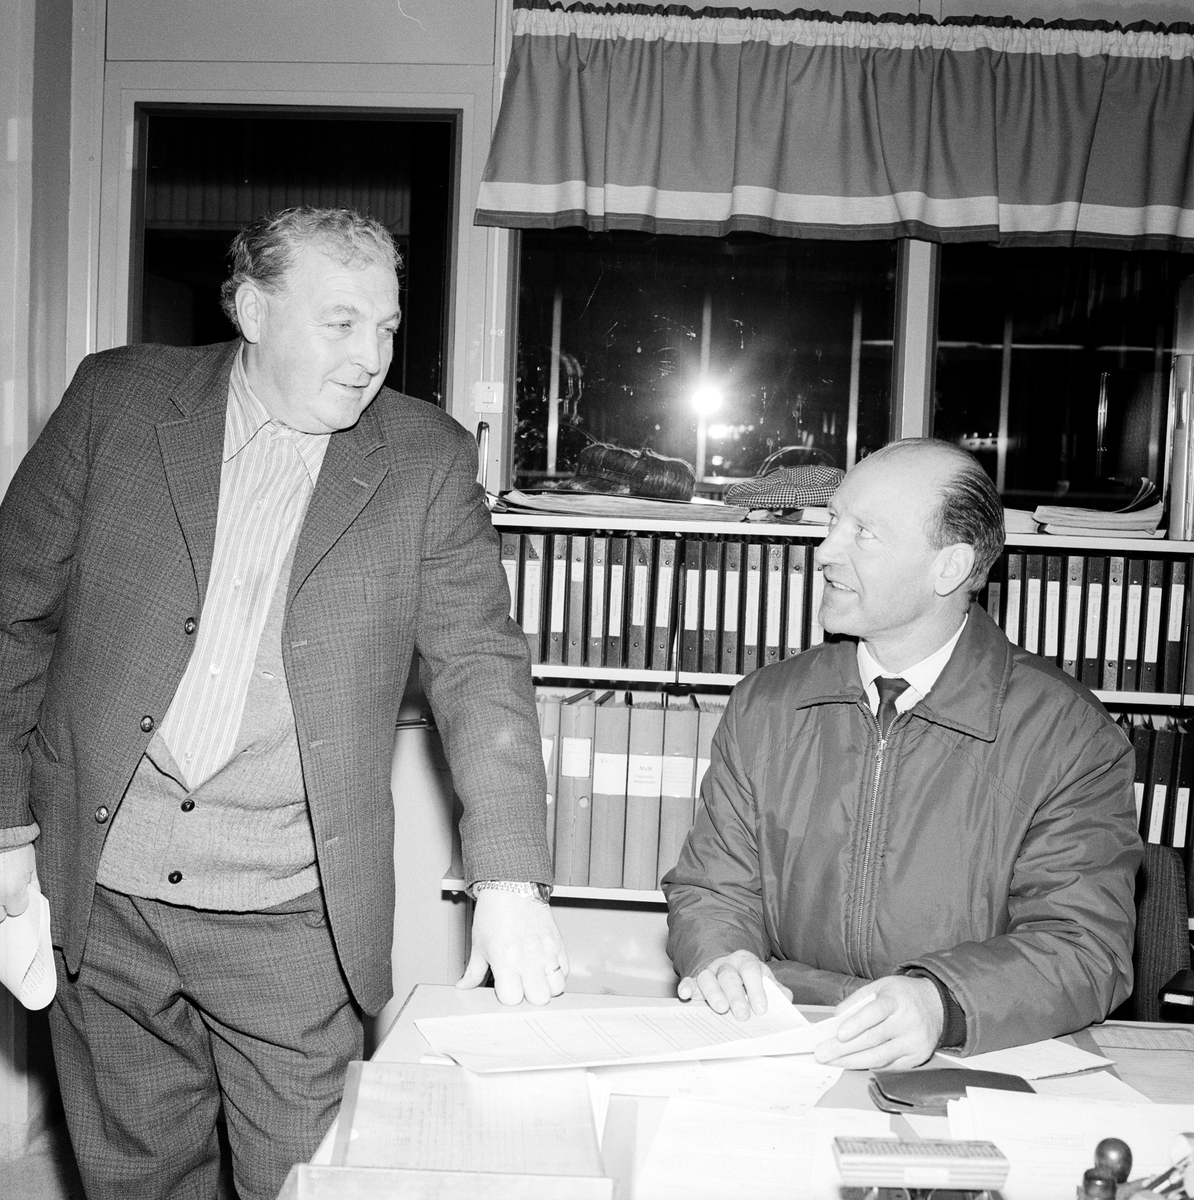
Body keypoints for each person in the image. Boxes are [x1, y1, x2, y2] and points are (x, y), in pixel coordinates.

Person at [0, 206, 566, 1200]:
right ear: (253, 311)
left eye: (386, 327)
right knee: (135, 1178)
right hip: (103, 892)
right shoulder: (116, 402)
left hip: (291, 916)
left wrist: (510, 885)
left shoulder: (425, 459)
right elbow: (11, 619)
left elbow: (481, 667)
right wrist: (8, 831)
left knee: (307, 1181)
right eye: (340, 323)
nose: (370, 357)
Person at [664, 438, 1141, 1068]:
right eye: (834, 521)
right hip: (786, 1036)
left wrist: (942, 1001)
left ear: (949, 568)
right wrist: (723, 959)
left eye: (864, 533)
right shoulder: (765, 705)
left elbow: (1084, 945)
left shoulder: (1069, 734)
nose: (825, 550)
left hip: (972, 1051)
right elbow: (713, 890)